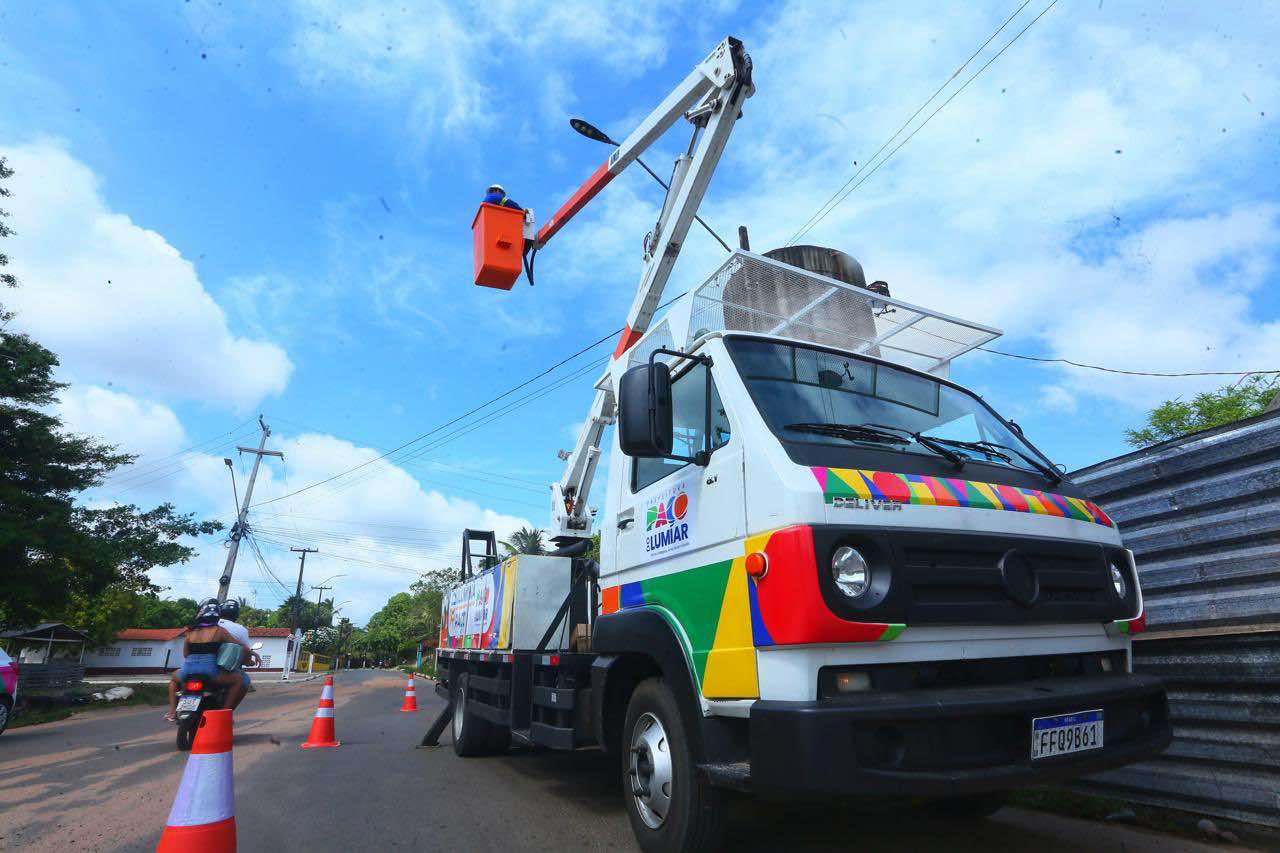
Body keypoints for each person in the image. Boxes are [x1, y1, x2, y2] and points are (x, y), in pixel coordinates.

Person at [164, 600, 249, 722]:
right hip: (210, 672)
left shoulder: (190, 632)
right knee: (238, 680)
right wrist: (252, 653)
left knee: (173, 680)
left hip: (188, 671)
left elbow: (186, 654)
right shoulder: (219, 631)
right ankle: (223, 714)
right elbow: (238, 645)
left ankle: (172, 711)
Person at [218, 599, 260, 710]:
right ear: (236, 614)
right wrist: (249, 660)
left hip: (195, 668)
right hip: (225, 669)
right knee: (244, 681)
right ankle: (226, 711)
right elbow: (244, 651)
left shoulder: (210, 625)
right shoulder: (240, 630)